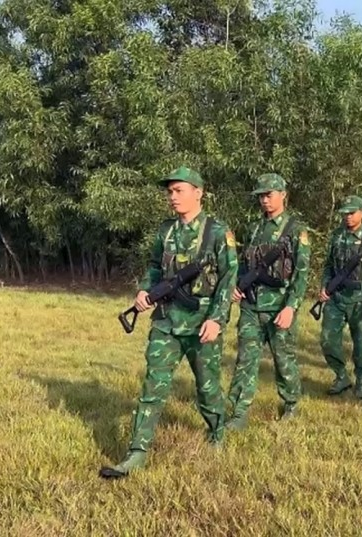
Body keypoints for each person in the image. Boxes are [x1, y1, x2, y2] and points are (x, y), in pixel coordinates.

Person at [99, 166, 238, 479]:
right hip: (166, 321)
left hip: (202, 322)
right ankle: (137, 452)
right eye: (170, 191)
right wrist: (145, 291)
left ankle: (217, 430)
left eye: (179, 190)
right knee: (153, 387)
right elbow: (153, 267)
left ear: (198, 192)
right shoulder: (166, 231)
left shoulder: (218, 232)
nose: (172, 197)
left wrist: (216, 319)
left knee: (207, 386)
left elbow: (229, 279)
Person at [226, 173, 310, 429]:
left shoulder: (296, 230)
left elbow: (302, 273)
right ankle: (239, 411)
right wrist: (235, 286)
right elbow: (243, 264)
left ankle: (291, 405)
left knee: (283, 359)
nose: (264, 200)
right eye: (261, 196)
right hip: (251, 306)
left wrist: (290, 306)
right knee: (245, 360)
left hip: (279, 307)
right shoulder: (253, 229)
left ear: (283, 194)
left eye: (268, 195)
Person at [319, 195, 362, 399]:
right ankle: (341, 376)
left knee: (361, 344)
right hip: (336, 298)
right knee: (328, 340)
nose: (347, 216)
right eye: (345, 213)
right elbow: (329, 265)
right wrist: (324, 287)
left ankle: (361, 381)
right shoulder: (336, 236)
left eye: (352, 212)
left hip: (360, 300)